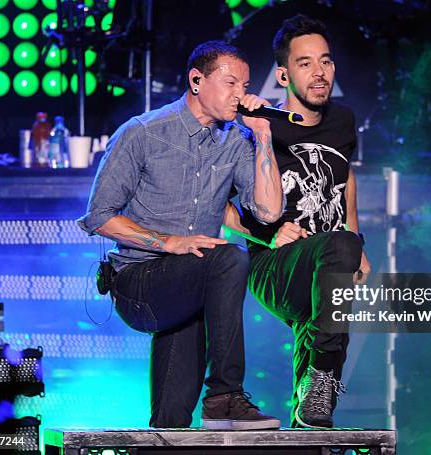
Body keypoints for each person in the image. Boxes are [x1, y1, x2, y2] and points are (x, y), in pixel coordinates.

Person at [78, 40, 284, 430]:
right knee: (229, 257)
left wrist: (263, 137)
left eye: (245, 85)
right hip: (138, 282)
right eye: (230, 83)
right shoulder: (143, 133)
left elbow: (269, 211)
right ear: (196, 81)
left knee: (171, 423)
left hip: (191, 280)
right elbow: (100, 217)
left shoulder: (237, 141)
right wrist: (169, 242)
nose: (240, 94)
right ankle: (224, 394)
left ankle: (173, 427)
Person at [223, 15, 371, 429]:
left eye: (325, 62)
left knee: (323, 344)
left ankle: (310, 419)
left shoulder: (343, 121)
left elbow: (346, 178)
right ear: (284, 74)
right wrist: (264, 234)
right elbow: (213, 203)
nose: (319, 72)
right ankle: (321, 383)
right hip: (275, 266)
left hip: (329, 262)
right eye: (305, 64)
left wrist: (357, 241)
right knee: (339, 254)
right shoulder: (259, 125)